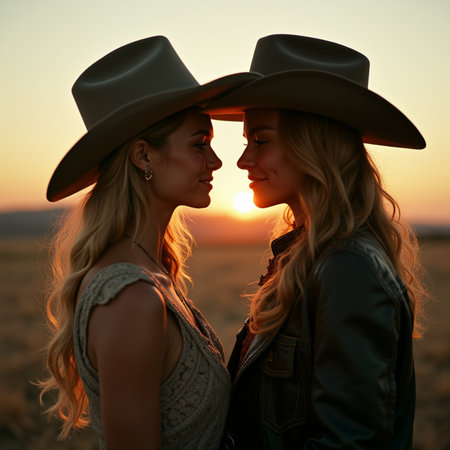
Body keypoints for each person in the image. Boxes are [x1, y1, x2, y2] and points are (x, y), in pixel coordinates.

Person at [205, 34, 427, 449]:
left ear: (314, 144)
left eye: (261, 140)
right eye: (246, 141)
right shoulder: (306, 255)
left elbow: (350, 443)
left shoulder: (348, 268)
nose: (243, 160)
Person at [38, 36, 258, 449]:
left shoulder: (150, 272)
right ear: (143, 156)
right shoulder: (130, 298)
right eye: (199, 144)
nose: (216, 161)